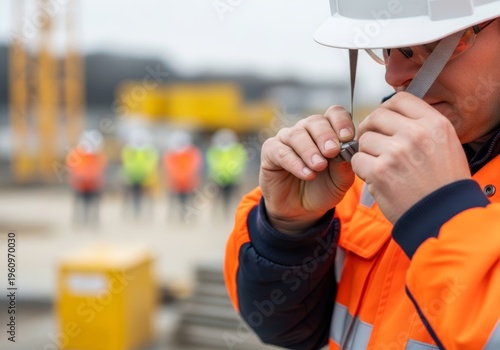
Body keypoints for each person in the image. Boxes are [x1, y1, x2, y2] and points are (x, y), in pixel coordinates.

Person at [224, 1, 500, 349]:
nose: (393, 74)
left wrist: (444, 218)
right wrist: (289, 232)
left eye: (434, 44)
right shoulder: (370, 176)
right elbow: (288, 329)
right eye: (387, 48)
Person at [67, 129, 107, 226]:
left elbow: (101, 166)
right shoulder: (78, 153)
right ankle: (81, 220)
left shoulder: (98, 154)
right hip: (80, 184)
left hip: (94, 184)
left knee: (93, 204)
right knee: (80, 203)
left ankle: (93, 221)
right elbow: (72, 166)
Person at [162, 130, 203, 222]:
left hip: (188, 182)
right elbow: (169, 167)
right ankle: (174, 218)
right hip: (176, 182)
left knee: (190, 202)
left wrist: (186, 176)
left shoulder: (192, 152)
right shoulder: (171, 153)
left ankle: (187, 218)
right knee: (174, 201)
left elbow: (195, 165)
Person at [206, 128, 248, 214]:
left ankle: (230, 214)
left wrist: (233, 173)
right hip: (218, 178)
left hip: (232, 179)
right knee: (216, 199)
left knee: (232, 199)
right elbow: (212, 162)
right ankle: (217, 215)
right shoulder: (214, 150)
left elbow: (240, 162)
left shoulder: (237, 150)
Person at [121, 127, 159, 218]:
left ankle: (148, 214)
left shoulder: (149, 150)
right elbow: (127, 162)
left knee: (148, 197)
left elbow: (152, 162)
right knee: (134, 196)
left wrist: (146, 172)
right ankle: (134, 213)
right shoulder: (129, 149)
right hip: (133, 177)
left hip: (147, 177)